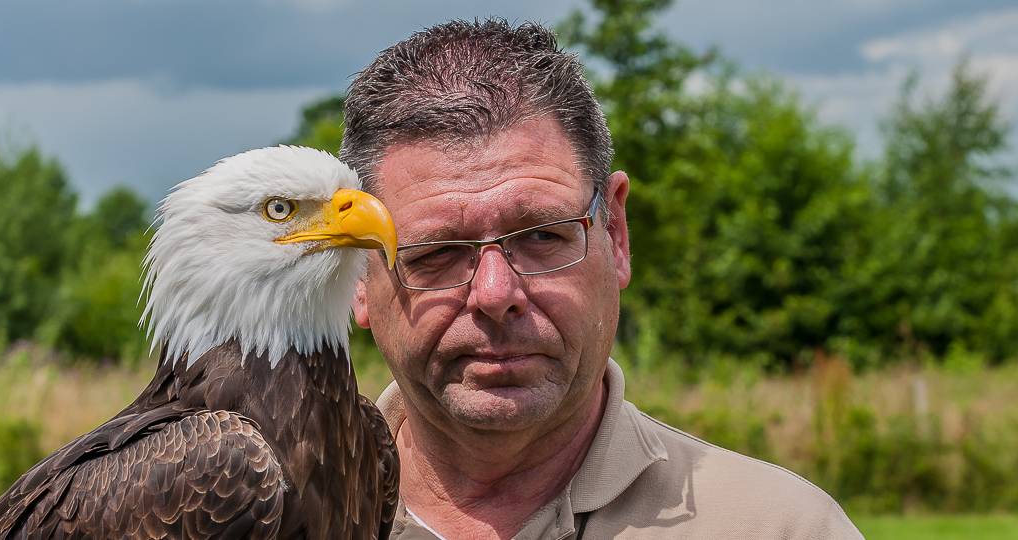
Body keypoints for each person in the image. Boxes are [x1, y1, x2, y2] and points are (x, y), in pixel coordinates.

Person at [342, 19, 863, 540]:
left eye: (543, 236)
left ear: (614, 233)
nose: (496, 294)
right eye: (437, 252)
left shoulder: (782, 528)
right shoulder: (280, 517)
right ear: (357, 278)